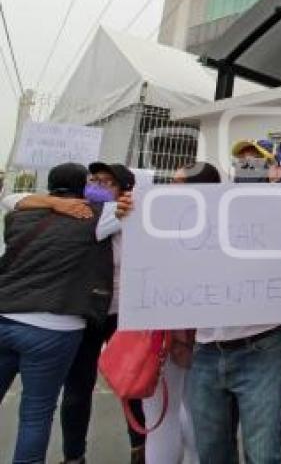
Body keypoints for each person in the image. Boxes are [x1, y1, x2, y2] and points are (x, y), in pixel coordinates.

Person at [1, 162, 146, 464]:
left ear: (125, 189)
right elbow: (12, 198)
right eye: (94, 180)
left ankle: (140, 447)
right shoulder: (89, 214)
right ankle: (74, 456)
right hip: (83, 314)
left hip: (122, 313)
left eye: (108, 182)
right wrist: (56, 202)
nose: (98, 186)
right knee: (75, 390)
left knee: (131, 385)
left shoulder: (122, 215)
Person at [187, 153, 281, 464]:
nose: (248, 166)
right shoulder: (205, 213)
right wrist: (131, 213)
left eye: (257, 161)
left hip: (262, 349)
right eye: (242, 161)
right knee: (212, 453)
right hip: (206, 351)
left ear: (275, 171)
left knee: (263, 455)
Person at [140, 163, 221, 464]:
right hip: (176, 335)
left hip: (189, 336)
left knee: (178, 416)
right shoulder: (152, 218)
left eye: (179, 183)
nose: (171, 188)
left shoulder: (166, 222)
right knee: (176, 414)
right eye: (171, 181)